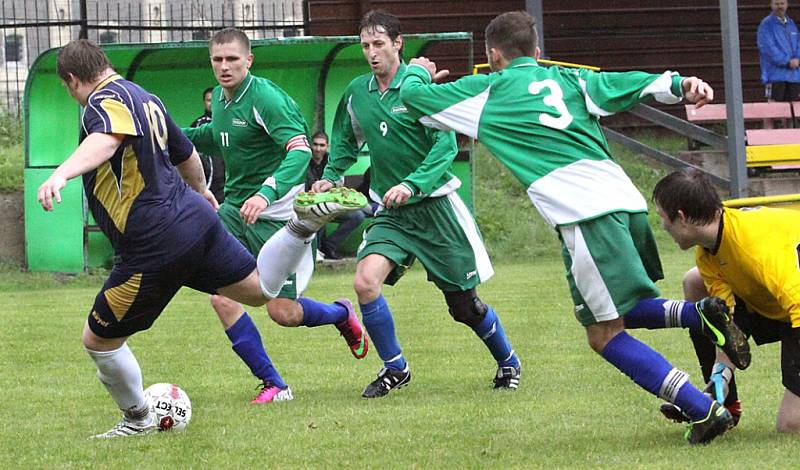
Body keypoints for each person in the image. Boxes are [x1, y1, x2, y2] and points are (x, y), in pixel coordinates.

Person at [398, 10, 750, 444]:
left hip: (585, 217)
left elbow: (414, 100)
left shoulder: (487, 90)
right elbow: (626, 84)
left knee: (603, 334)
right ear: (537, 52)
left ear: (493, 56)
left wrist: (415, 70)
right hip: (624, 204)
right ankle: (701, 315)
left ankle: (703, 410)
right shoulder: (567, 80)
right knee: (619, 310)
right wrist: (681, 86)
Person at [37, 38, 285, 437]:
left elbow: (106, 139)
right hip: (195, 218)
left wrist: (60, 174)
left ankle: (138, 420)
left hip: (154, 241)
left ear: (71, 80)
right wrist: (202, 192)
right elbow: (185, 152)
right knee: (259, 291)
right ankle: (302, 228)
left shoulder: (102, 101)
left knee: (98, 341)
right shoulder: (144, 96)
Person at [311, 10, 522, 399]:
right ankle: (396, 368)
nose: (371, 53)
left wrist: (412, 185)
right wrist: (333, 175)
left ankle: (508, 361)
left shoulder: (417, 87)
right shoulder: (358, 93)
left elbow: (445, 146)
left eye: (378, 44)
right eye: (365, 46)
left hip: (436, 209)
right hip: (392, 214)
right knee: (364, 281)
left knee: (464, 307)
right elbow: (345, 141)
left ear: (398, 43)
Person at [182, 28, 369, 404]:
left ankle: (339, 314)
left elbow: (299, 151)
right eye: (217, 60)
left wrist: (266, 193)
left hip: (282, 221)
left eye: (232, 59)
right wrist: (168, 135)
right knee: (221, 296)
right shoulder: (220, 98)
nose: (224, 66)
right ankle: (274, 384)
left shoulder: (265, 98)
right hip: (236, 213)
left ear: (248, 60)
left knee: (282, 313)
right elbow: (215, 138)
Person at [651, 168, 800, 434]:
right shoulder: (707, 252)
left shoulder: (751, 247)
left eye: (664, 218)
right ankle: (722, 405)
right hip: (776, 305)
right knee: (694, 282)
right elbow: (722, 319)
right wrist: (722, 373)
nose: (663, 227)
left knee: (790, 425)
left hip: (796, 309)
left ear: (682, 217)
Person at [306, 130, 374, 260]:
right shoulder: (305, 162)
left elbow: (340, 186)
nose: (318, 148)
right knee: (319, 212)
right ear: (310, 145)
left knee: (357, 216)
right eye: (315, 144)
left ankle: (329, 246)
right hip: (312, 205)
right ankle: (316, 250)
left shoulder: (333, 163)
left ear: (327, 146)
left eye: (322, 145)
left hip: (333, 203)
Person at [757, 0, 800, 101]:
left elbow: (798, 43)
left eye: (782, 3)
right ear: (771, 5)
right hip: (775, 76)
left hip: (794, 77)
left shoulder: (791, 24)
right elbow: (767, 48)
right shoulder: (766, 25)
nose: (779, 6)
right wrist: (787, 61)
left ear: (787, 5)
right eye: (776, 4)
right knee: (775, 111)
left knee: (793, 113)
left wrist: (798, 59)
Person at [190, 87, 226, 203]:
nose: (211, 104)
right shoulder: (199, 123)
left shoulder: (227, 121)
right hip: (209, 178)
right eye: (208, 100)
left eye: (214, 100)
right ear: (204, 102)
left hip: (225, 179)